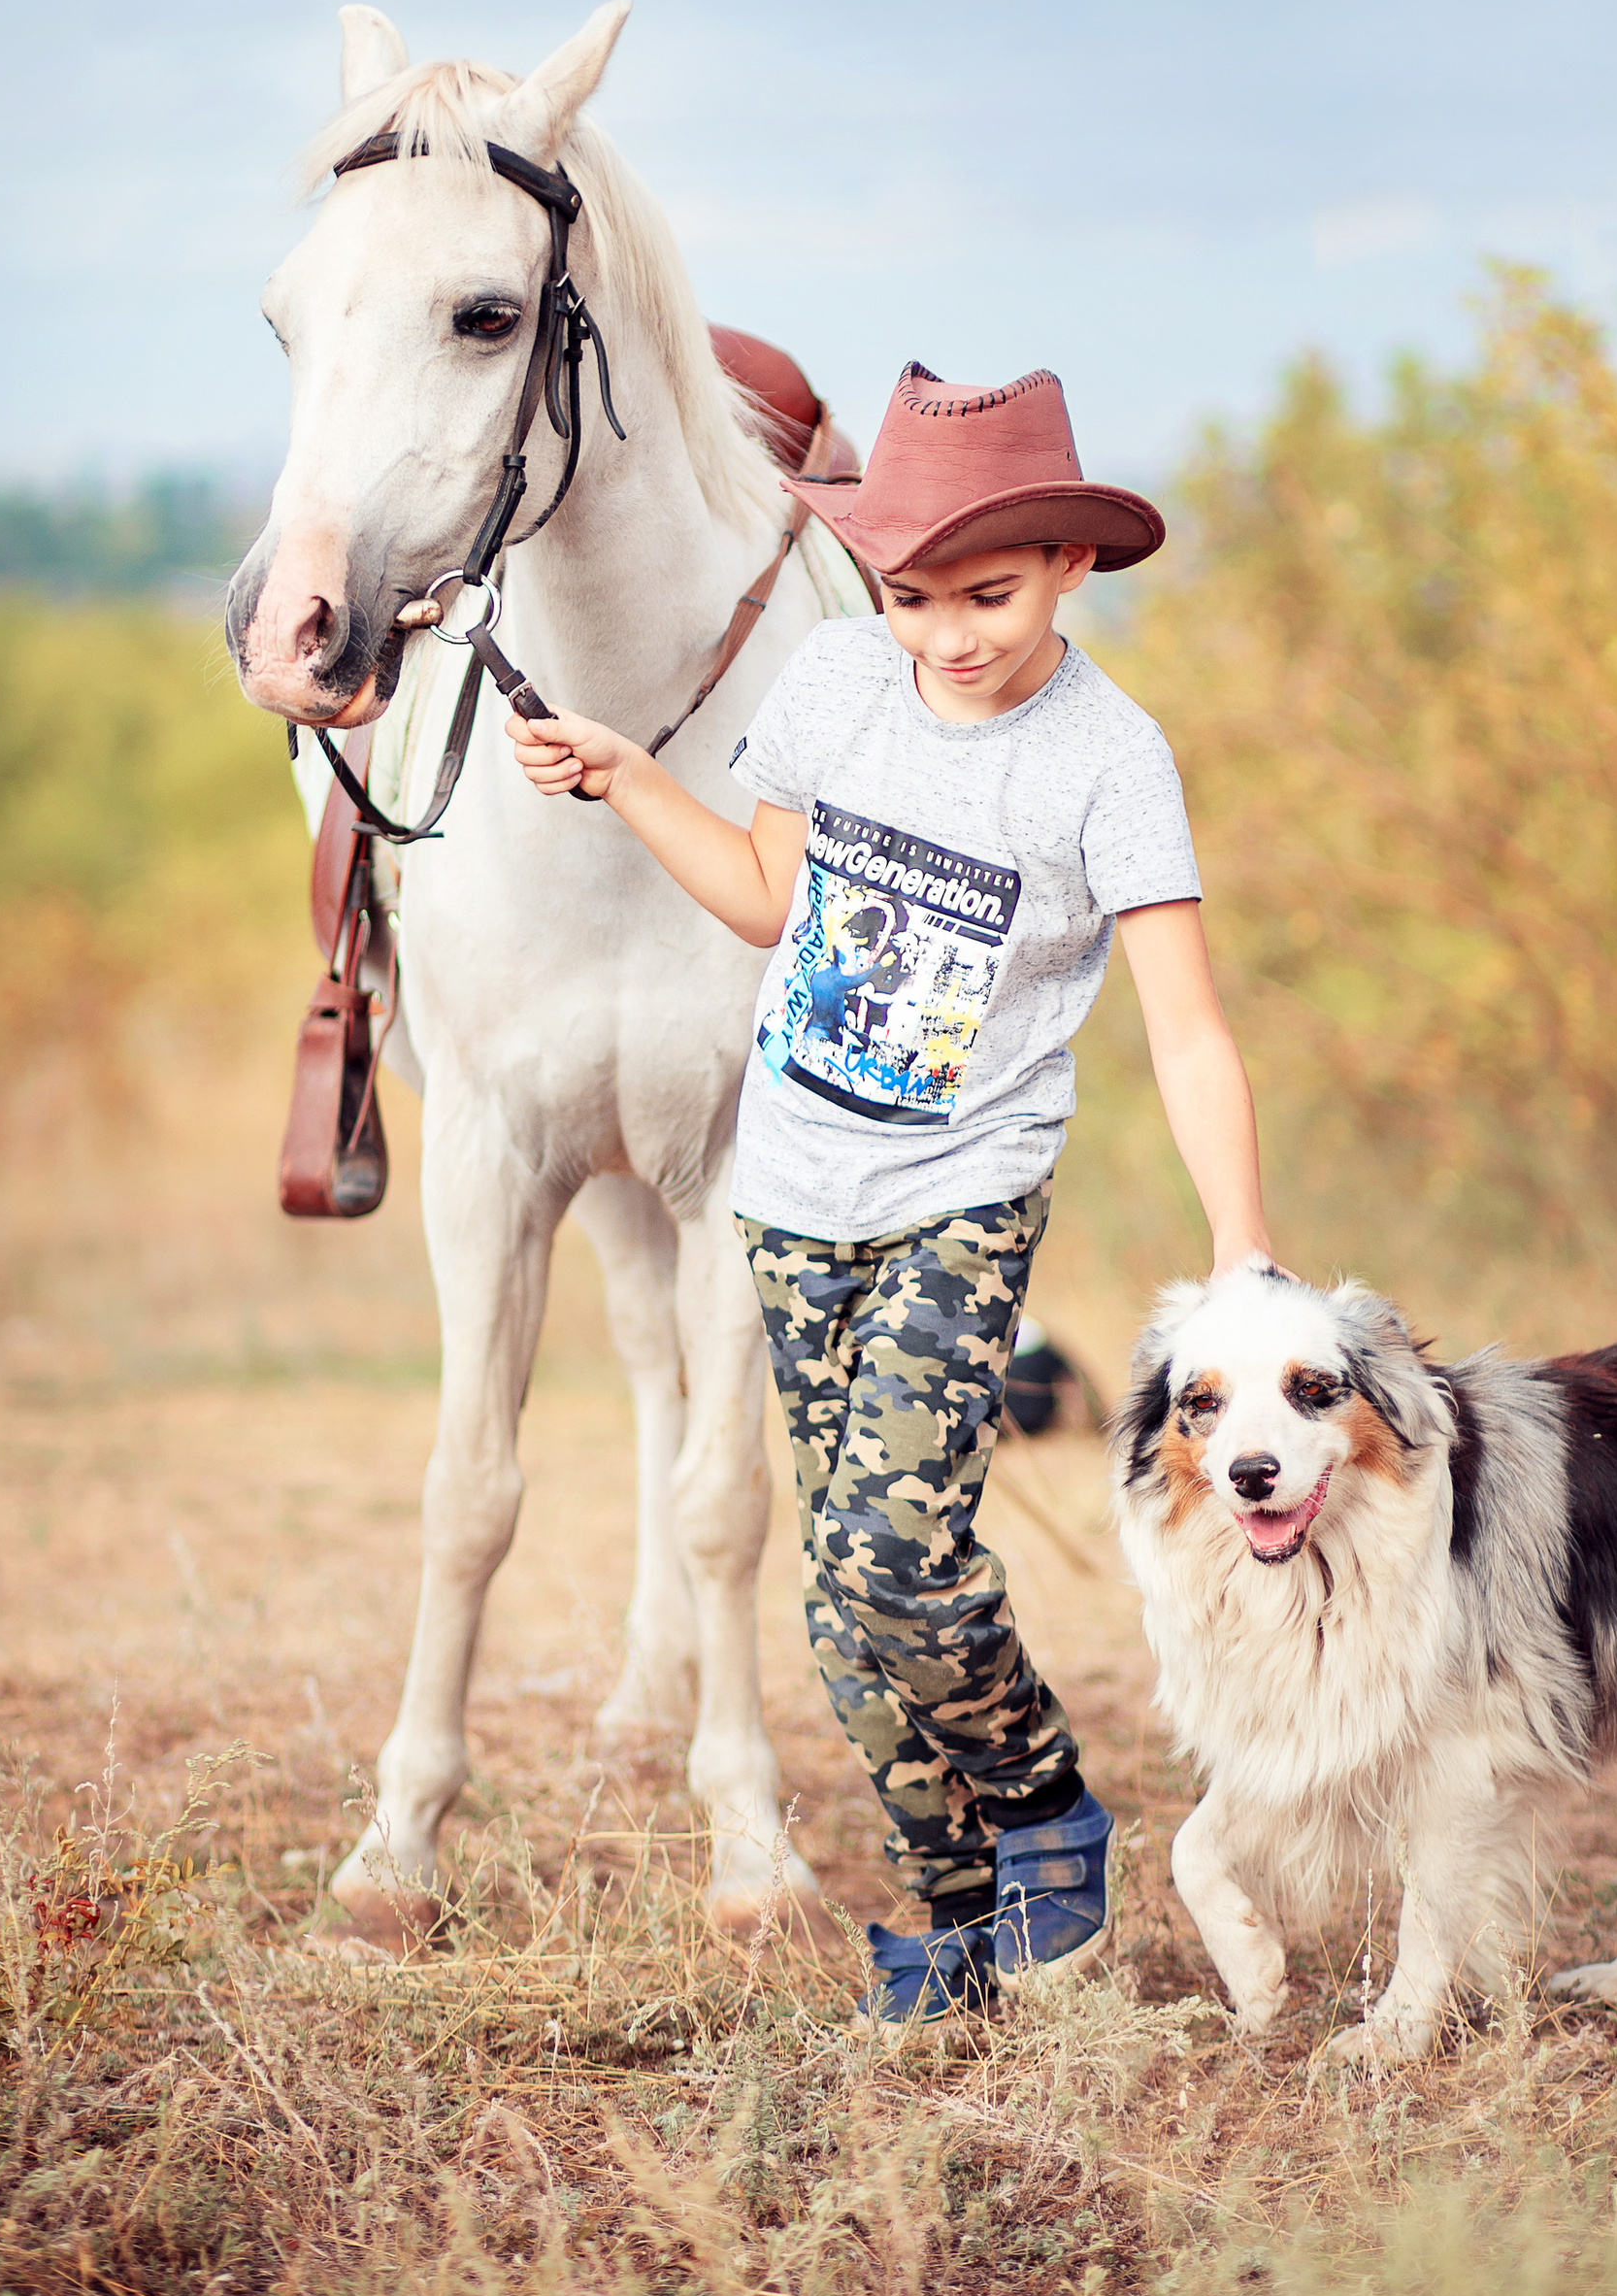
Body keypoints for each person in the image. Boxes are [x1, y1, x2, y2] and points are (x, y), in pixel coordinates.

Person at [506, 359, 1271, 2021]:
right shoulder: (842, 683)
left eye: (991, 595)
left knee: (894, 1542)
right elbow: (765, 897)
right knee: (844, 1600)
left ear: (1071, 563)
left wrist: (1243, 1250)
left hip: (962, 1193)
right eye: (914, 597)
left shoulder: (1110, 760)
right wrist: (630, 774)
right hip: (794, 1195)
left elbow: (1190, 1029)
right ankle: (958, 1907)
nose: (950, 635)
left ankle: (1050, 1814)